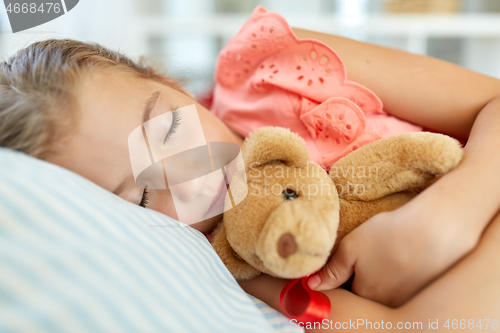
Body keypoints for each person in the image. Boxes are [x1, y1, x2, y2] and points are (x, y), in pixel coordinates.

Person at [0, 21, 499, 333]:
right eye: (142, 198)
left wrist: (453, 210)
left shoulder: (272, 71)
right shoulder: (250, 268)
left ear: (172, 84)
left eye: (171, 127)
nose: (194, 177)